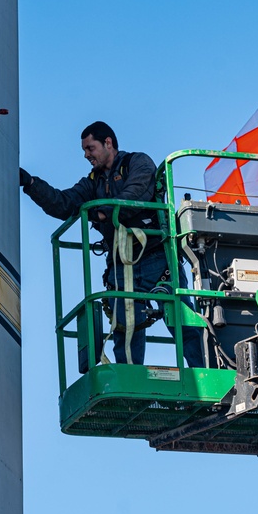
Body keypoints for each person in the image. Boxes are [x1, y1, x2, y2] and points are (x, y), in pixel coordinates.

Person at [20, 121, 205, 367]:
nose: (86, 155)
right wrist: (31, 184)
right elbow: (64, 203)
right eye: (84, 150)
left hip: (156, 257)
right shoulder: (93, 183)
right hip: (120, 263)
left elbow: (134, 194)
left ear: (108, 143)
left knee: (180, 320)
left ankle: (205, 372)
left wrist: (103, 212)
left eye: (90, 148)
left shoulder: (137, 163)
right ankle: (132, 384)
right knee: (125, 327)